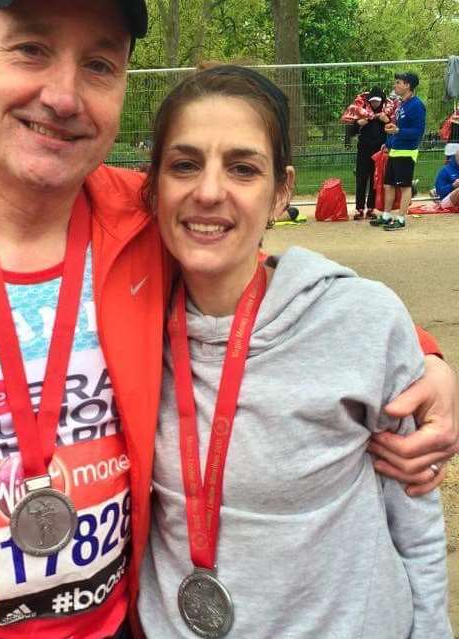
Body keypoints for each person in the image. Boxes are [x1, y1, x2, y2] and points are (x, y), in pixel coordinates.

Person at [0, 3, 458, 637]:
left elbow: (264, 282)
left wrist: (425, 360)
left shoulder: (147, 217)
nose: (62, 95)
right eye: (29, 49)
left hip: (123, 619)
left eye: (99, 64)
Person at [137, 64, 452, 639]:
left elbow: (415, 516)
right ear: (152, 182)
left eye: (242, 168)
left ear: (282, 190)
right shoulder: (125, 322)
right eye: (184, 165)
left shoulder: (362, 318)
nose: (209, 191)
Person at [370, 72, 426, 231]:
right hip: (395, 150)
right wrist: (388, 143)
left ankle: (401, 219)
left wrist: (398, 131)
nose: (395, 85)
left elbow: (418, 131)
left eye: (398, 82)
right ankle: (387, 216)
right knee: (388, 185)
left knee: (405, 186)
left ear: (408, 85)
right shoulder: (401, 104)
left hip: (406, 152)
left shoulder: (417, 105)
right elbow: (395, 128)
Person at [350, 86, 388, 220]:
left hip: (379, 152)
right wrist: (359, 124)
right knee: (361, 179)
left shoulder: (386, 113)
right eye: (372, 101)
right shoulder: (362, 112)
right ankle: (359, 209)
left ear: (382, 101)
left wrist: (386, 121)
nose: (374, 103)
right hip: (363, 151)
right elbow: (350, 130)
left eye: (377, 101)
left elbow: (393, 129)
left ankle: (371, 208)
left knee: (374, 180)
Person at [434, 142, 459, 208]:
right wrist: (453, 185)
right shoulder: (445, 170)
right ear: (455, 156)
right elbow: (440, 192)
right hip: (446, 200)